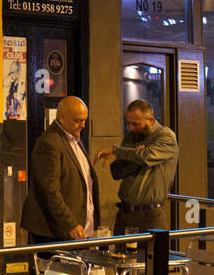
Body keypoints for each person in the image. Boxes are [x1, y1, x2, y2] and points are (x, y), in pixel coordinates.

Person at [20, 96, 100, 245]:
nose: (82, 125)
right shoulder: (50, 143)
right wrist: (70, 224)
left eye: (84, 120)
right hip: (54, 232)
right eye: (77, 120)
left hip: (78, 231)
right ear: (61, 118)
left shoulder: (74, 138)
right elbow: (49, 191)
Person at [94, 100, 178, 233]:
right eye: (128, 123)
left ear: (150, 120)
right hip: (124, 213)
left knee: (150, 253)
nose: (130, 128)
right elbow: (117, 171)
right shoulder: (131, 137)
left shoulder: (165, 136)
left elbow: (146, 156)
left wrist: (119, 151)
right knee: (118, 254)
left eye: (135, 124)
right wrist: (136, 155)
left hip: (149, 216)